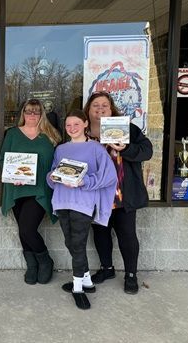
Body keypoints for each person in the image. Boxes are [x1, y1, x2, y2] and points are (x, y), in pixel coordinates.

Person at [83, 91, 153, 294]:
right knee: (100, 233)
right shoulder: (84, 133)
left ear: (111, 108)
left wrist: (126, 148)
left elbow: (147, 151)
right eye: (96, 105)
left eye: (104, 105)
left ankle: (131, 274)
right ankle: (107, 269)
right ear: (89, 109)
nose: (100, 109)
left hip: (122, 195)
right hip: (96, 196)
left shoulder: (127, 129)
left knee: (127, 235)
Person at [47, 110, 117, 309]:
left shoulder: (95, 149)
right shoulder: (61, 149)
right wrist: (52, 177)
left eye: (76, 124)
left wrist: (83, 181)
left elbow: (109, 176)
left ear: (85, 123)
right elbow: (53, 173)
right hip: (62, 201)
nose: (72, 128)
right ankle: (86, 279)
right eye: (68, 125)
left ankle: (78, 288)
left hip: (83, 203)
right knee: (70, 242)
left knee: (77, 243)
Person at [0, 99, 62, 285]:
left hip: (39, 189)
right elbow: (3, 159)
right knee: (23, 230)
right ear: (23, 113)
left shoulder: (50, 135)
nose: (32, 115)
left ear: (41, 114)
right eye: (28, 111)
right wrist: (12, 174)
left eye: (36, 112)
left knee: (27, 229)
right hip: (17, 188)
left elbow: (56, 163)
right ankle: (32, 265)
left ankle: (45, 260)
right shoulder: (12, 134)